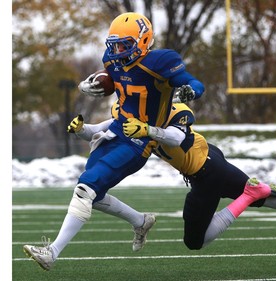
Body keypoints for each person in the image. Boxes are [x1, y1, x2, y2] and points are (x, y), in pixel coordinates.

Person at [23, 12, 205, 271]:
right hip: (116, 130)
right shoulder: (112, 60)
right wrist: (92, 85)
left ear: (143, 41)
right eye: (115, 44)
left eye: (124, 44)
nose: (118, 50)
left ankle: (52, 252)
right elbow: (112, 82)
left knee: (85, 188)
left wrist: (191, 91)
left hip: (139, 139)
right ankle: (140, 221)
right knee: (93, 196)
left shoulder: (161, 61)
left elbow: (193, 82)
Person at [67, 100, 276, 251]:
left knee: (195, 241)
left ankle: (249, 197)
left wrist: (149, 130)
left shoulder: (172, 111)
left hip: (207, 170)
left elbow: (176, 137)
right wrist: (80, 128)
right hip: (207, 161)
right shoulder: (132, 109)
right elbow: (99, 129)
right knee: (265, 196)